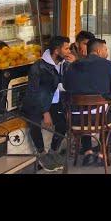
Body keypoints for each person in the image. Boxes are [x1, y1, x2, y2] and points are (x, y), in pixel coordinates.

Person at [63, 38, 111, 167]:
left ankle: (88, 152)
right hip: (99, 117)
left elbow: (66, 86)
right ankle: (103, 153)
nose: (106, 52)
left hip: (75, 118)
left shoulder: (74, 65)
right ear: (99, 50)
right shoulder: (107, 65)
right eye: (106, 49)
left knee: (85, 115)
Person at [21, 35, 71, 172]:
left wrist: (72, 65)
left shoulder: (63, 64)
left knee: (63, 124)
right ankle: (41, 153)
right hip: (36, 104)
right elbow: (34, 92)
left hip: (54, 102)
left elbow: (66, 83)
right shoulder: (39, 67)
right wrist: (45, 112)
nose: (69, 51)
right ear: (56, 50)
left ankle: (52, 152)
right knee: (35, 121)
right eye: (66, 48)